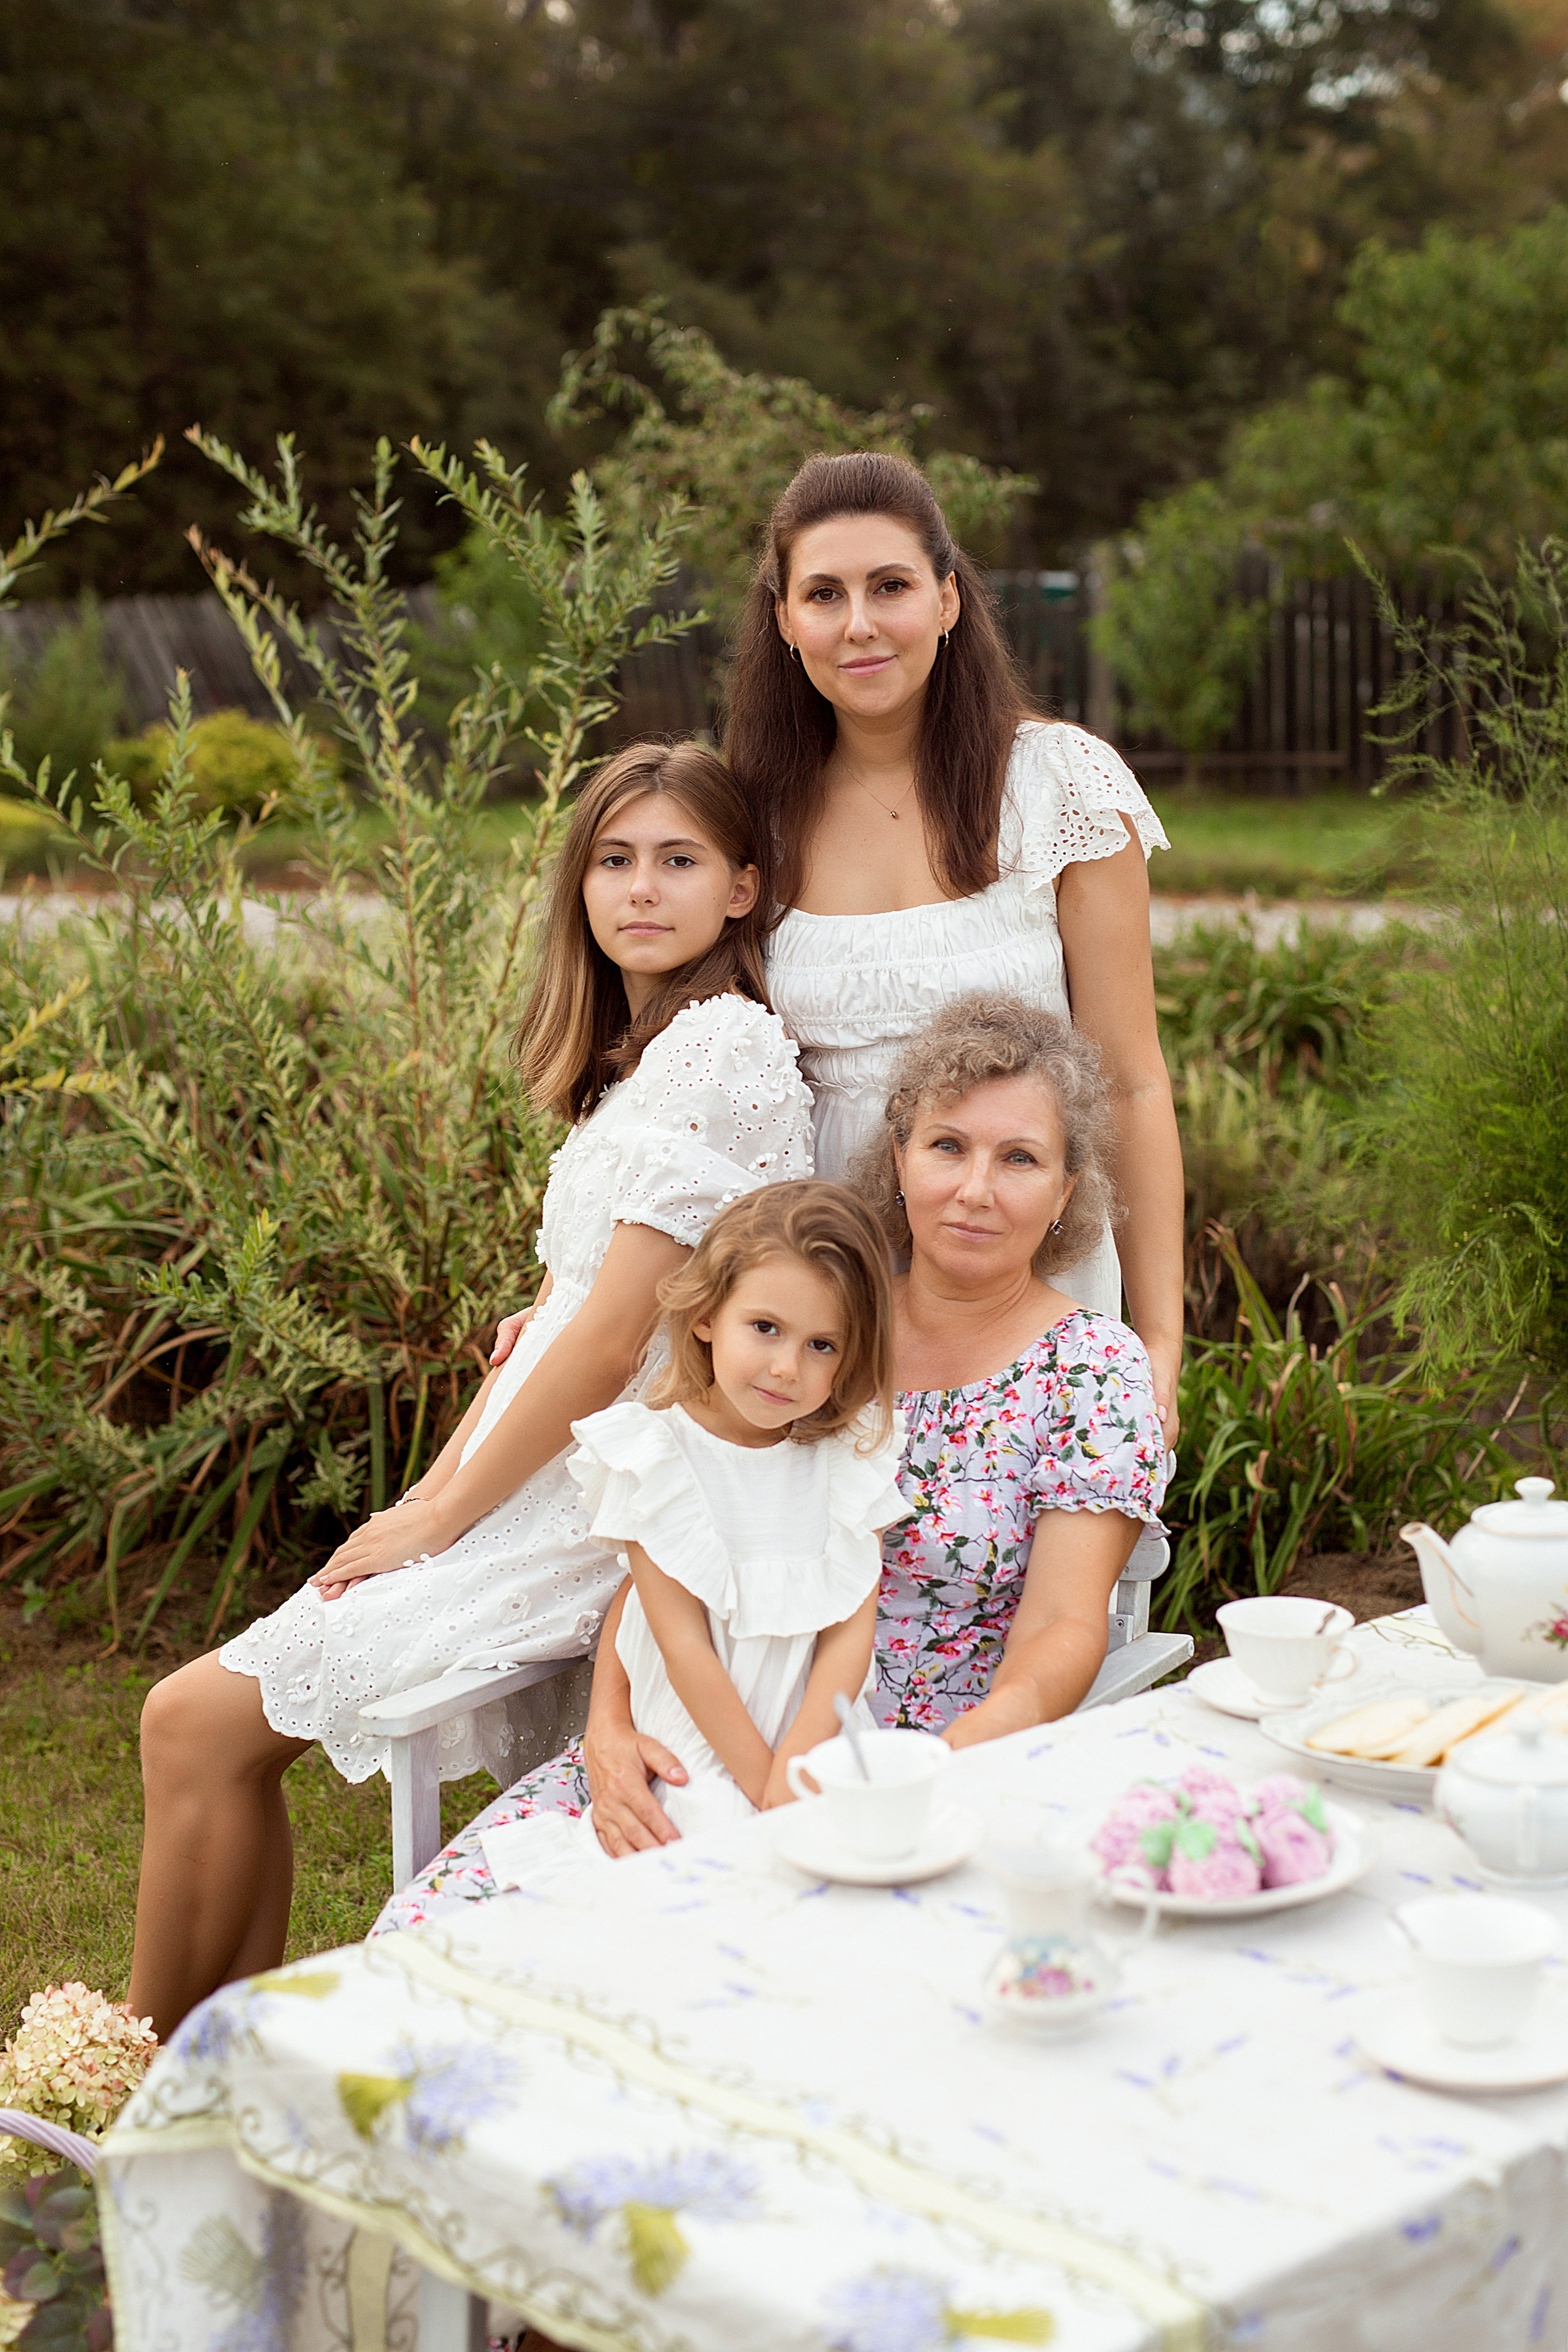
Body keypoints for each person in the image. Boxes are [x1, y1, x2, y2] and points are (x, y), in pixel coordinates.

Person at [129, 739, 814, 2036]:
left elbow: (612, 1342)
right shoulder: (648, 1055)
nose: (638, 890)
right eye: (612, 861)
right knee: (204, 1734)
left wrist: (439, 1520)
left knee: (192, 1722)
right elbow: (588, 1311)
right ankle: (192, 2071)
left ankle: (127, 2080)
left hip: (591, 1508)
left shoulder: (720, 1049)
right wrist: (436, 1488)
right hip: (532, 1477)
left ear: (742, 886)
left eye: (677, 861)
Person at [372, 993, 1168, 1932]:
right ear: (901, 1156)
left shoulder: (1090, 1370)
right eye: (948, 1146)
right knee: (447, 1938)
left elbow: (1064, 1634)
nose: (976, 1189)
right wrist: (612, 1730)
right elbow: (679, 1527)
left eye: (1020, 1159)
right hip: (701, 1729)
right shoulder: (820, 1326)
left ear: (1068, 1192)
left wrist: (941, 1768)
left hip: (915, 1762)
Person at [726, 450, 1185, 1445]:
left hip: (1026, 1273)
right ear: (784, 620)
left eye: (890, 586)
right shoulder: (748, 816)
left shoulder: (1062, 786)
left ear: (946, 600)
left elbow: (1133, 1085)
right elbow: (678, 1088)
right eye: (824, 593)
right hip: (820, 1296)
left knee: (1037, 1589)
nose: (858, 623)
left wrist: (1161, 1341)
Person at [482, 1182, 905, 1886]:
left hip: (818, 1744)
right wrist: (763, 1788)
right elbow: (684, 1647)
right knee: (719, 1876)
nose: (785, 1368)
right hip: (700, 1747)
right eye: (765, 1327)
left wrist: (795, 1772)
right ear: (708, 1314)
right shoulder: (656, 1459)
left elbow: (847, 1638)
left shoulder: (847, 1462)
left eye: (821, 1345)